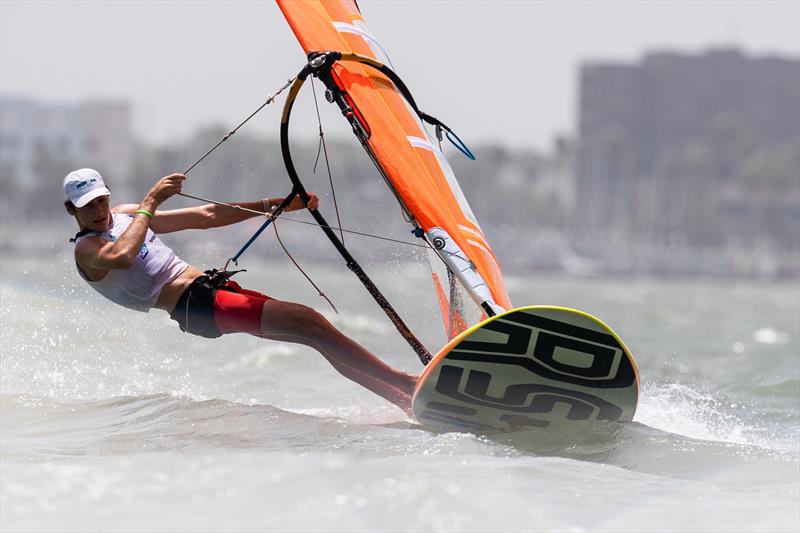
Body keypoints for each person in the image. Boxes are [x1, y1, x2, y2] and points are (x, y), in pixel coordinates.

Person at [63, 168, 417, 413]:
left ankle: (401, 399)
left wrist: (271, 206)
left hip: (212, 291)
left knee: (314, 333)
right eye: (87, 206)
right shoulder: (87, 249)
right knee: (307, 320)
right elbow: (122, 256)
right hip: (194, 306)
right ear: (71, 210)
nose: (98, 211)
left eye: (101, 201)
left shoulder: (127, 215)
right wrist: (151, 202)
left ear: (108, 196)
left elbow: (205, 216)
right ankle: (406, 383)